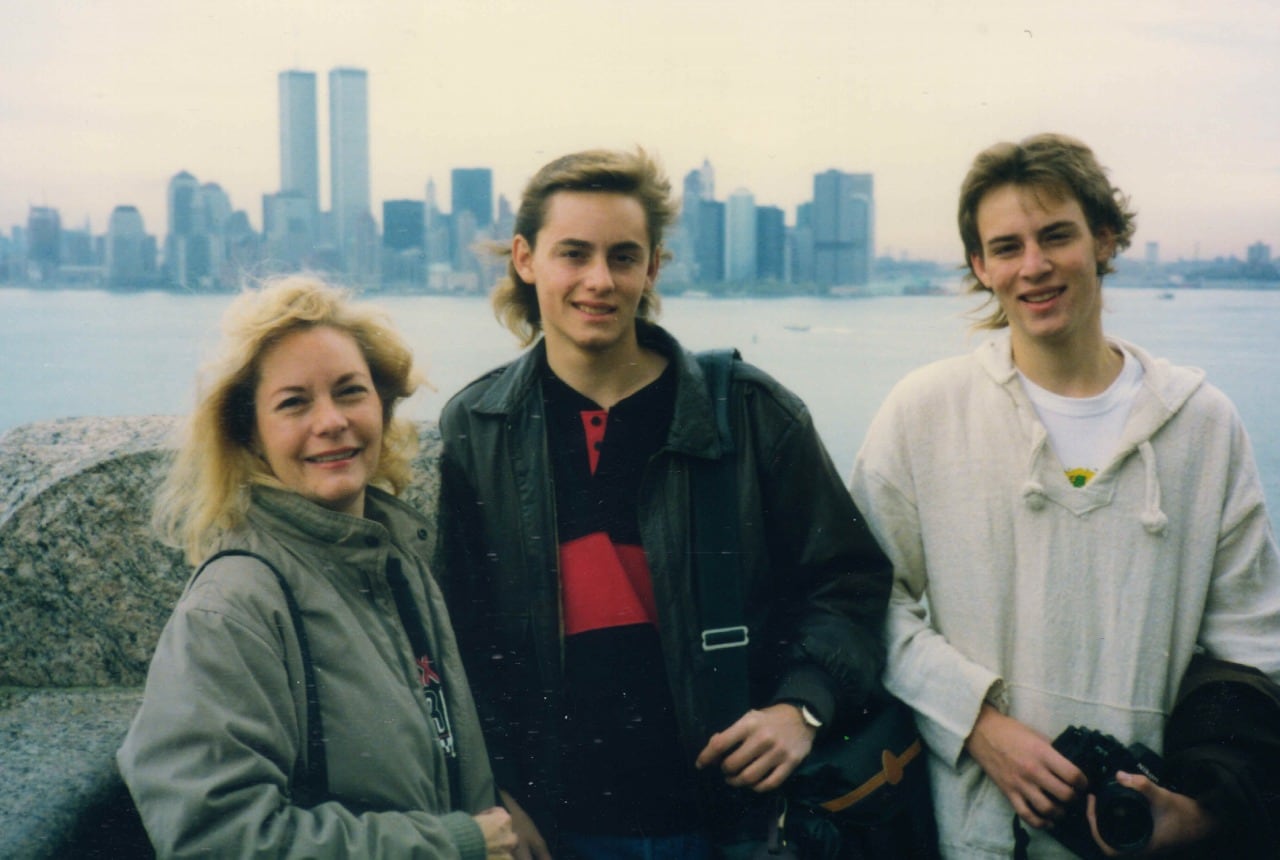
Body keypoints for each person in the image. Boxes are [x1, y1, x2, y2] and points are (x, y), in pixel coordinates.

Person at [434, 148, 894, 858]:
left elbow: (848, 581)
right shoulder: (477, 428)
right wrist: (489, 795)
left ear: (652, 268)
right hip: (550, 826)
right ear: (525, 259)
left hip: (728, 822)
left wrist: (802, 705)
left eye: (623, 256)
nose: (599, 280)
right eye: (573, 254)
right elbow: (455, 636)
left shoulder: (749, 412)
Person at [849, 132, 1280, 858]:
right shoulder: (924, 412)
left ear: (1106, 239)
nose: (1035, 266)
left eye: (1057, 236)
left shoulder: (1204, 425)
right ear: (981, 267)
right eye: (1007, 247)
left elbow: (1251, 645)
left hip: (1145, 838)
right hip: (981, 837)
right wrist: (979, 725)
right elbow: (864, 599)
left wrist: (1201, 808)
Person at [117, 276, 516, 859]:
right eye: (294, 403)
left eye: (350, 391)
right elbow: (216, 836)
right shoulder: (235, 607)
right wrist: (450, 846)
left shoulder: (396, 560)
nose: (330, 421)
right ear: (250, 434)